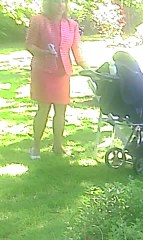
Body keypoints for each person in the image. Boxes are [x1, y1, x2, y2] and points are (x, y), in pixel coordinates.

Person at [25, 0, 88, 159]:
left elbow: (77, 51)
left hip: (62, 73)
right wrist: (44, 52)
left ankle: (58, 146)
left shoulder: (72, 25)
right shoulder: (38, 20)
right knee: (43, 109)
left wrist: (90, 69)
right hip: (43, 71)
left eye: (63, 2)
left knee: (61, 111)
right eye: (57, 1)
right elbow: (29, 45)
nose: (61, 5)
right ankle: (36, 147)